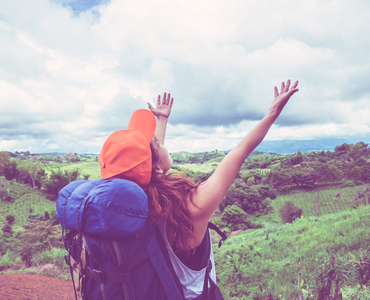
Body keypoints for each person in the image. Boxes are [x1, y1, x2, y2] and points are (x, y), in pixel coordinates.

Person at [99, 80, 299, 299]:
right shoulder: (190, 207)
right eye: (155, 143)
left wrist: (162, 119)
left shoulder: (136, 207)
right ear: (155, 165)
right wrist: (272, 114)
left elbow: (150, 168)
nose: (158, 141)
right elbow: (240, 152)